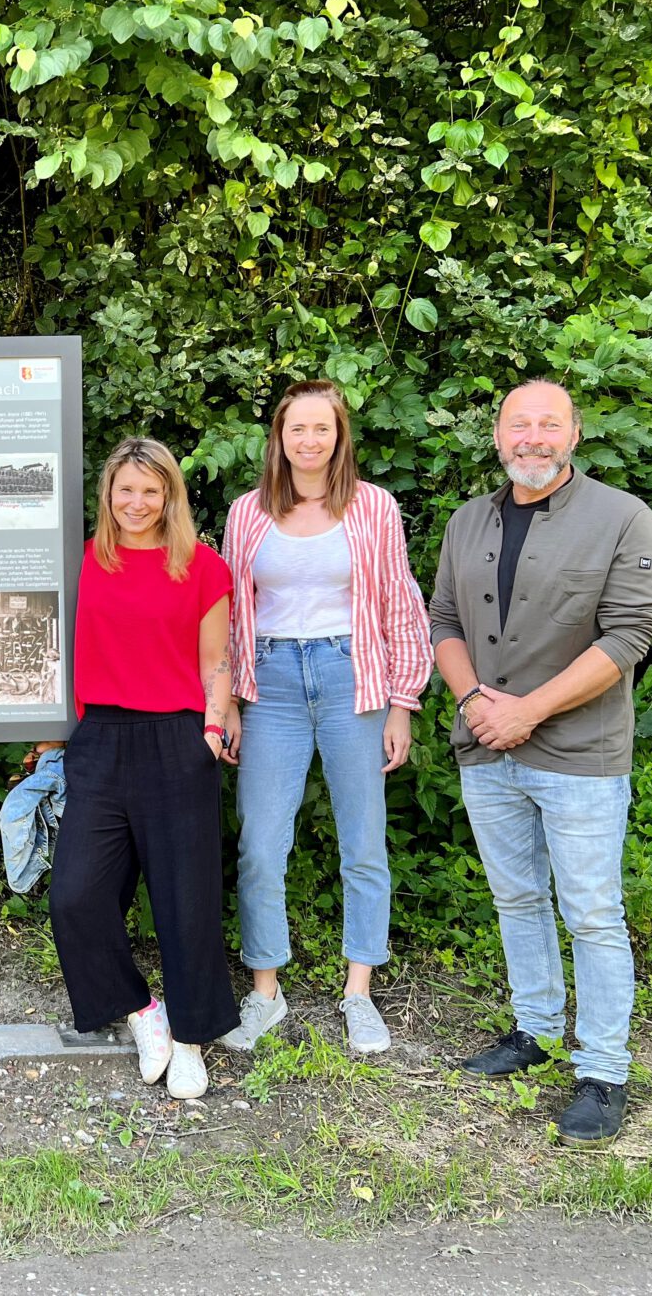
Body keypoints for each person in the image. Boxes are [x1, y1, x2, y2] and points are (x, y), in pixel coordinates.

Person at [429, 379, 652, 1147]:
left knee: (593, 914)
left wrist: (528, 712)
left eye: (547, 424)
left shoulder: (624, 519)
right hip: (486, 745)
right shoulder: (470, 522)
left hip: (578, 756)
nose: (531, 437)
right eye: (518, 424)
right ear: (498, 436)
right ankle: (534, 1032)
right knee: (518, 900)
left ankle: (603, 1071)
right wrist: (474, 703)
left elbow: (628, 637)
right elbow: (443, 619)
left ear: (574, 433)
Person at [218, 381, 432, 1055]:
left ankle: (359, 991)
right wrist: (225, 703)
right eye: (296, 429)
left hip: (354, 680)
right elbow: (227, 615)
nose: (309, 441)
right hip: (272, 684)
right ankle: (265, 991)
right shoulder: (248, 513)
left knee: (363, 842)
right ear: (278, 438)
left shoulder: (373, 508)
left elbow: (400, 606)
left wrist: (403, 703)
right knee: (260, 844)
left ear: (340, 437)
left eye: (322, 429)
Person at [47, 437, 239, 1100]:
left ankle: (191, 1039)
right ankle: (142, 1010)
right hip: (100, 736)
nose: (136, 503)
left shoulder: (204, 568)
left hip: (177, 739)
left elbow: (217, 660)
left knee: (186, 902)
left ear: (170, 497)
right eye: (125, 490)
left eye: (150, 491)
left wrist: (212, 731)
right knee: (75, 894)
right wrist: (54, 734)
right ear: (108, 495)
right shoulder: (85, 563)